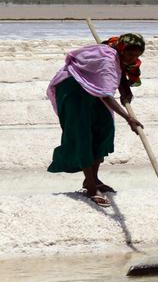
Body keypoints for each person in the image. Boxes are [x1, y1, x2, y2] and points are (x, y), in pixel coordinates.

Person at [47, 33, 145, 205]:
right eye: (130, 54)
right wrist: (128, 118)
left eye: (136, 55)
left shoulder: (119, 54)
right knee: (83, 134)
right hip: (73, 88)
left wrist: (126, 90)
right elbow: (106, 95)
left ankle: (93, 178)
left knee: (104, 129)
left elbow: (120, 71)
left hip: (94, 87)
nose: (133, 59)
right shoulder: (107, 60)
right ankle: (91, 187)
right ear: (121, 49)